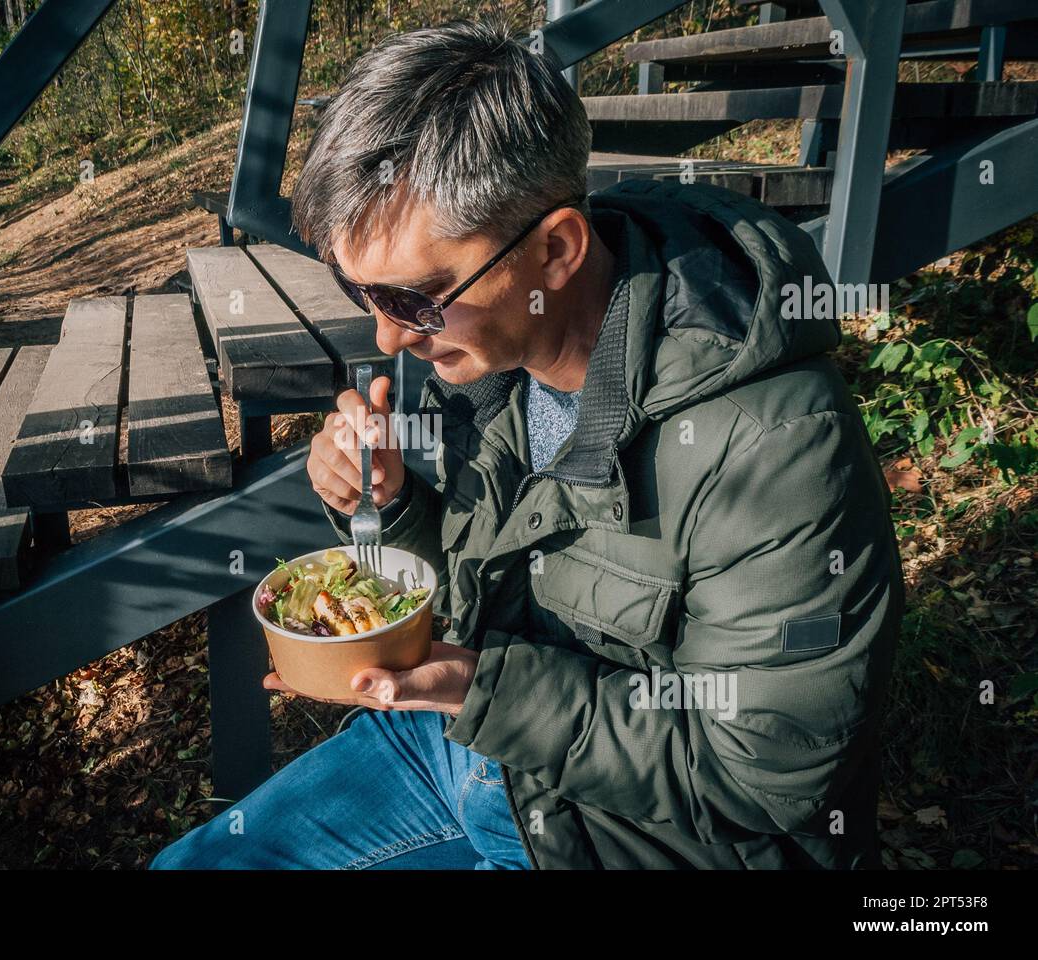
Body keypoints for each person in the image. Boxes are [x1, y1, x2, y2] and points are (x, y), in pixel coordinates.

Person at [149, 15, 902, 870]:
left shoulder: (772, 446)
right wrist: (390, 510)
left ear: (556, 251)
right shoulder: (494, 360)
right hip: (472, 753)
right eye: (358, 291)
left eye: (413, 299)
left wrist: (479, 688)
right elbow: (505, 587)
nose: (388, 339)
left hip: (629, 841)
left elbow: (762, 779)